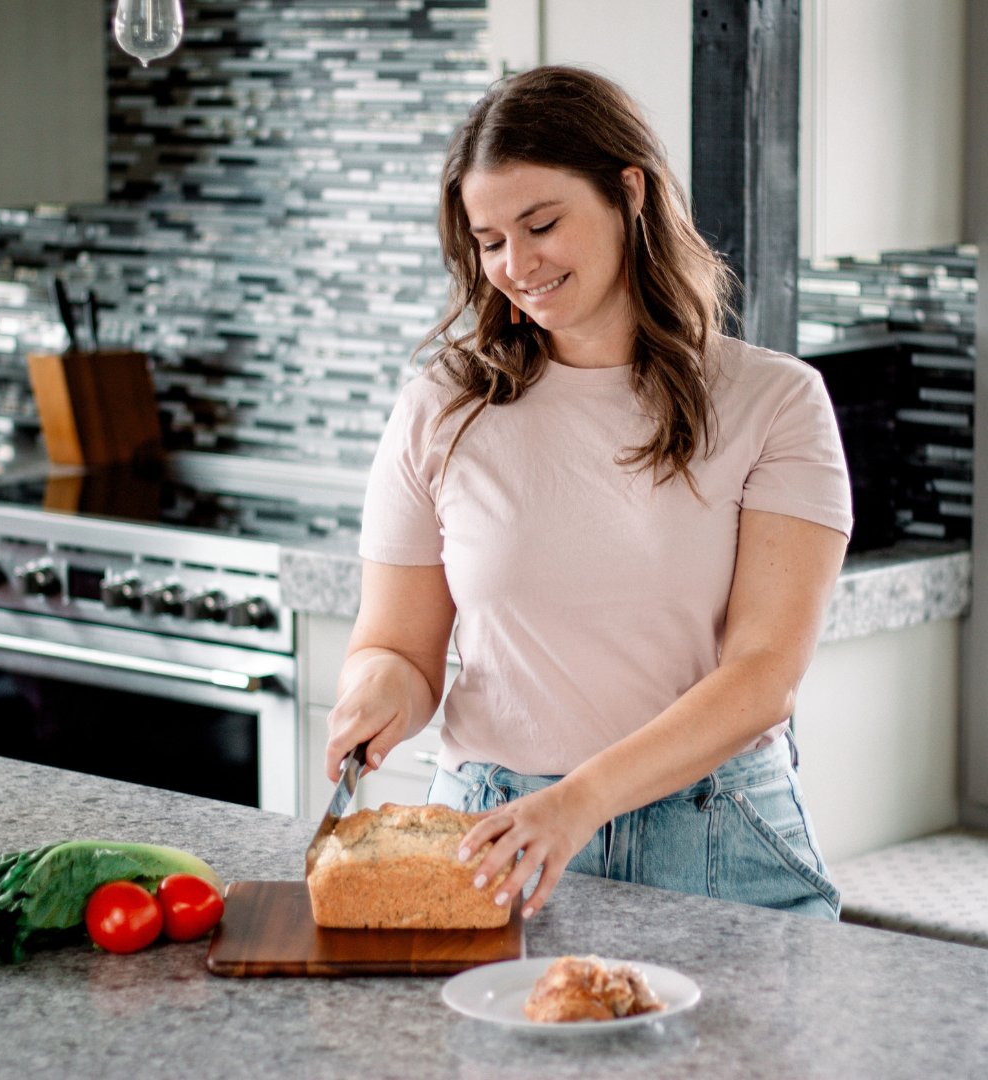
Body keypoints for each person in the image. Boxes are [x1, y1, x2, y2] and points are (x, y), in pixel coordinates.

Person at [325, 66, 852, 922]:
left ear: (628, 193)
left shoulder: (774, 402)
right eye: (489, 240)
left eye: (541, 225)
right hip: (491, 833)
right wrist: (380, 687)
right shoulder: (441, 408)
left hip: (715, 836)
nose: (515, 265)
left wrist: (577, 802)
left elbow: (762, 679)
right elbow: (398, 646)